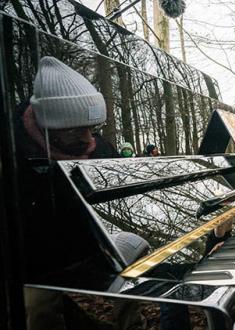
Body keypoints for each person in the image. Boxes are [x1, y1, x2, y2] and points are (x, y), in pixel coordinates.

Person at [15, 56, 147, 329]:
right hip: (36, 258)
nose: (89, 141)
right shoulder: (14, 150)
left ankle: (132, 324)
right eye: (76, 131)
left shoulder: (100, 148)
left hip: (91, 242)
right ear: (47, 125)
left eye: (93, 129)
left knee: (139, 253)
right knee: (37, 305)